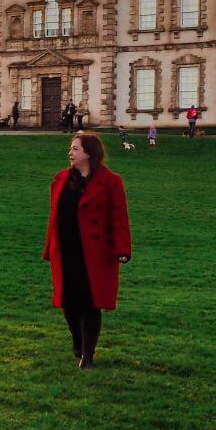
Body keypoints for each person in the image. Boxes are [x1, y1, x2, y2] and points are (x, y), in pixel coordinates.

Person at [42, 132, 132, 369]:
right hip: (65, 249)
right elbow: (54, 217)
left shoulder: (111, 181)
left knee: (91, 303)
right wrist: (49, 247)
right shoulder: (60, 180)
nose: (70, 153)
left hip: (95, 253)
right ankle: (78, 342)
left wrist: (122, 249)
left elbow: (119, 218)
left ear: (89, 153)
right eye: (71, 149)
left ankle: (88, 356)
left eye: (75, 149)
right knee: (68, 302)